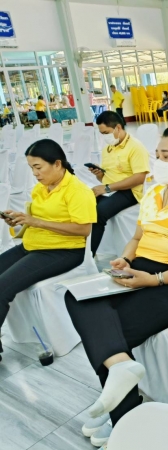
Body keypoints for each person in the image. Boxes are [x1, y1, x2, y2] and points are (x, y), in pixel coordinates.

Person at [65, 127, 168, 439]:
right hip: (142, 268)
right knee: (76, 297)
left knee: (113, 331)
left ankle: (124, 417)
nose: (158, 162)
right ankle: (123, 390)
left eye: (166, 156)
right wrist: (125, 258)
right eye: (157, 156)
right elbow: (137, 237)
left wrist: (155, 280)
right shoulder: (154, 193)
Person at [0, 140, 96, 362]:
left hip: (63, 251)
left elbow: (83, 229)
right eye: (31, 168)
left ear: (57, 164)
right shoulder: (41, 188)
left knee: (2, 288)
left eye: (38, 167)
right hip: (33, 245)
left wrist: (36, 222)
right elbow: (37, 220)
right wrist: (20, 220)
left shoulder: (78, 191)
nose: (35, 173)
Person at [89, 111, 150, 256]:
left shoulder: (135, 147)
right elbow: (106, 178)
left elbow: (139, 178)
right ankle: (79, 248)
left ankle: (88, 255)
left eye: (106, 133)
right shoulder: (108, 149)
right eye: (101, 134)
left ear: (118, 127)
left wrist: (107, 188)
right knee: (84, 205)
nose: (104, 137)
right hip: (111, 189)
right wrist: (100, 175)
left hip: (129, 191)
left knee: (99, 212)